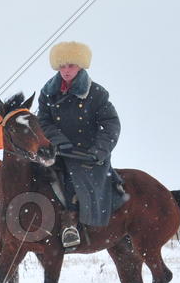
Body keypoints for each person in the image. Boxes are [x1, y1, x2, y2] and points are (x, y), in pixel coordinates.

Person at [36, 41, 125, 248]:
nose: (66, 71)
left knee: (75, 177)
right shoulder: (47, 92)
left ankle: (71, 225)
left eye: (71, 66)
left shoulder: (97, 93)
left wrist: (98, 151)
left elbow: (111, 124)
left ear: (81, 66)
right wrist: (59, 142)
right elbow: (43, 121)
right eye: (62, 66)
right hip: (57, 150)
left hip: (88, 154)